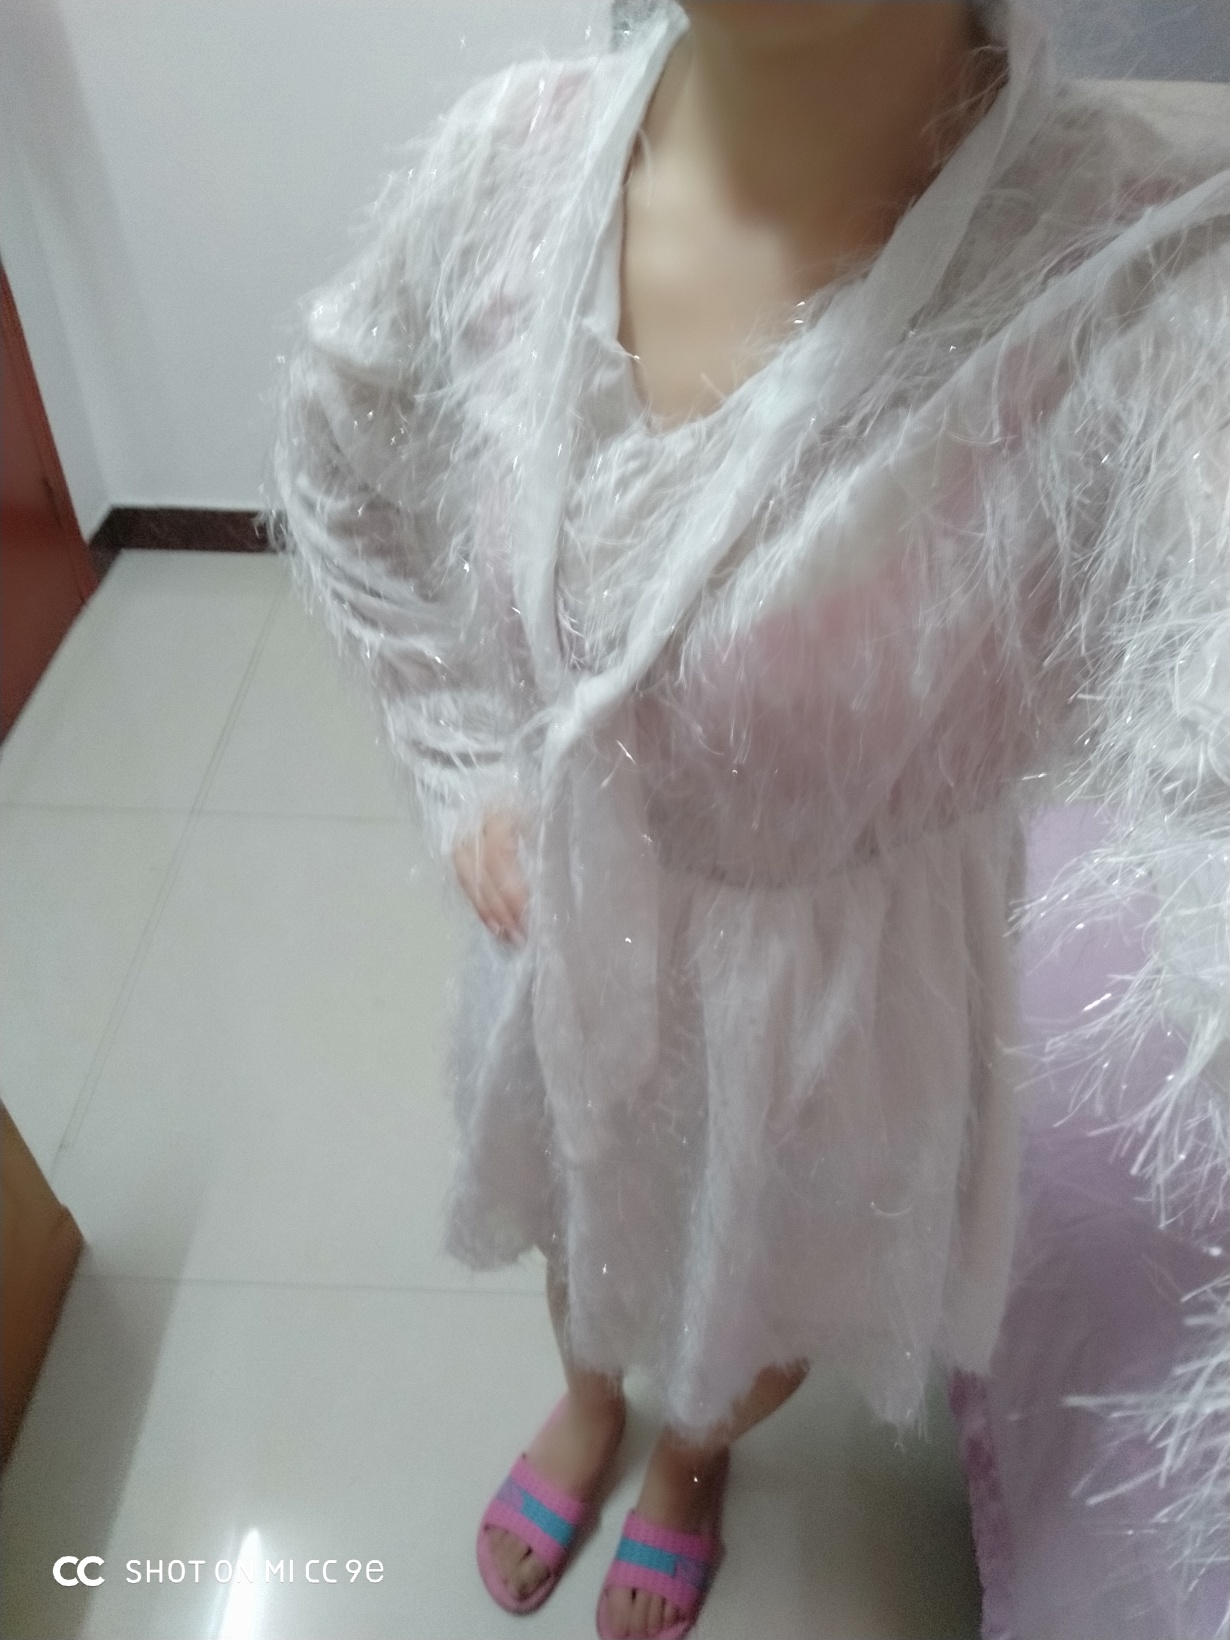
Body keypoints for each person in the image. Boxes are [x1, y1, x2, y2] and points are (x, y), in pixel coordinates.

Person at [271, 3, 1230, 1636]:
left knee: (757, 1276)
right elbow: (338, 453)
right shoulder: (508, 165)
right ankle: (589, 1401)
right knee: (576, 1210)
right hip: (565, 925)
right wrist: (462, 761)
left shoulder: (1130, 297)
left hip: (833, 1008)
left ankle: (688, 1458)